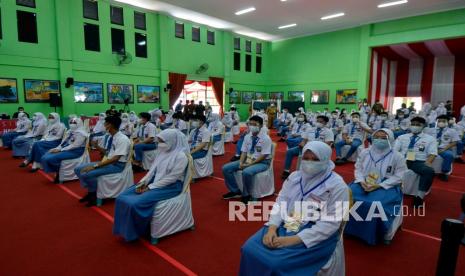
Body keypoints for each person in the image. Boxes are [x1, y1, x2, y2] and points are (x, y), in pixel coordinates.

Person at [240, 141, 349, 275]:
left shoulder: (337, 186)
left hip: (314, 232)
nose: (310, 163)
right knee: (249, 248)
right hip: (290, 222)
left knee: (276, 263)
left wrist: (292, 240)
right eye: (306, 158)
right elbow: (281, 203)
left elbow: (330, 224)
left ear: (326, 160)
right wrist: (272, 228)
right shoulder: (294, 177)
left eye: (316, 159)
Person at [113, 129, 189, 241]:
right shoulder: (162, 152)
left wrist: (149, 187)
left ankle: (137, 231)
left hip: (171, 186)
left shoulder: (181, 156)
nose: (159, 144)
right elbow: (151, 171)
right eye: (159, 141)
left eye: (162, 141)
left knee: (135, 203)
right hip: (154, 181)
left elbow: (172, 178)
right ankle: (123, 229)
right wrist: (142, 183)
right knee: (121, 197)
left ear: (172, 141)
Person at [345, 129, 407, 245]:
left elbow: (400, 175)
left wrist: (379, 185)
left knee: (374, 204)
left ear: (391, 139)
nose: (380, 140)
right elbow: (358, 168)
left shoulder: (397, 156)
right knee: (346, 197)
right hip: (364, 182)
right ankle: (348, 229)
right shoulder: (365, 152)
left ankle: (373, 234)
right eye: (377, 137)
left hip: (386, 185)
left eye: (384, 138)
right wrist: (360, 181)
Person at [75, 116, 131, 207]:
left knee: (87, 173)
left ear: (110, 125)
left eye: (105, 123)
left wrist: (95, 166)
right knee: (78, 169)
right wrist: (97, 146)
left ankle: (93, 195)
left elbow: (115, 158)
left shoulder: (122, 139)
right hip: (110, 162)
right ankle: (91, 190)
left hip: (117, 165)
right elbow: (108, 153)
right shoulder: (111, 137)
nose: (103, 125)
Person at [222, 116, 272, 204]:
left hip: (262, 162)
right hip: (247, 160)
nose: (251, 126)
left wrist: (250, 164)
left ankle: (247, 194)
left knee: (247, 172)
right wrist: (241, 162)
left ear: (260, 125)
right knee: (226, 168)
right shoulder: (247, 137)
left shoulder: (266, 138)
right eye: (250, 124)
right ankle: (235, 191)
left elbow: (264, 155)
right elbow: (244, 152)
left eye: (254, 124)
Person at [394, 116, 437, 207]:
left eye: (418, 125)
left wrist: (428, 162)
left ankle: (419, 197)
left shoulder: (430, 139)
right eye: (413, 124)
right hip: (401, 160)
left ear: (423, 126)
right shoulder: (402, 137)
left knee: (429, 171)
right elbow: (395, 150)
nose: (415, 126)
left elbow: (433, 153)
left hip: (417, 162)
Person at [41, 117, 88, 183]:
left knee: (52, 158)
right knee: (45, 155)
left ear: (79, 123)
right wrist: (57, 148)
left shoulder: (81, 133)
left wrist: (61, 150)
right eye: (71, 122)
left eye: (74, 123)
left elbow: (75, 145)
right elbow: (63, 142)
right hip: (66, 149)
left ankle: (58, 173)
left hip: (76, 151)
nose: (72, 124)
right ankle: (56, 171)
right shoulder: (69, 131)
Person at [423, 115, 459, 181]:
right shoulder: (431, 130)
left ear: (447, 122)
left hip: (443, 148)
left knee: (449, 155)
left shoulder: (452, 131)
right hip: (431, 148)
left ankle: (444, 173)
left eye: (443, 121)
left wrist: (444, 149)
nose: (441, 122)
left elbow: (455, 142)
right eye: (439, 121)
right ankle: (426, 170)